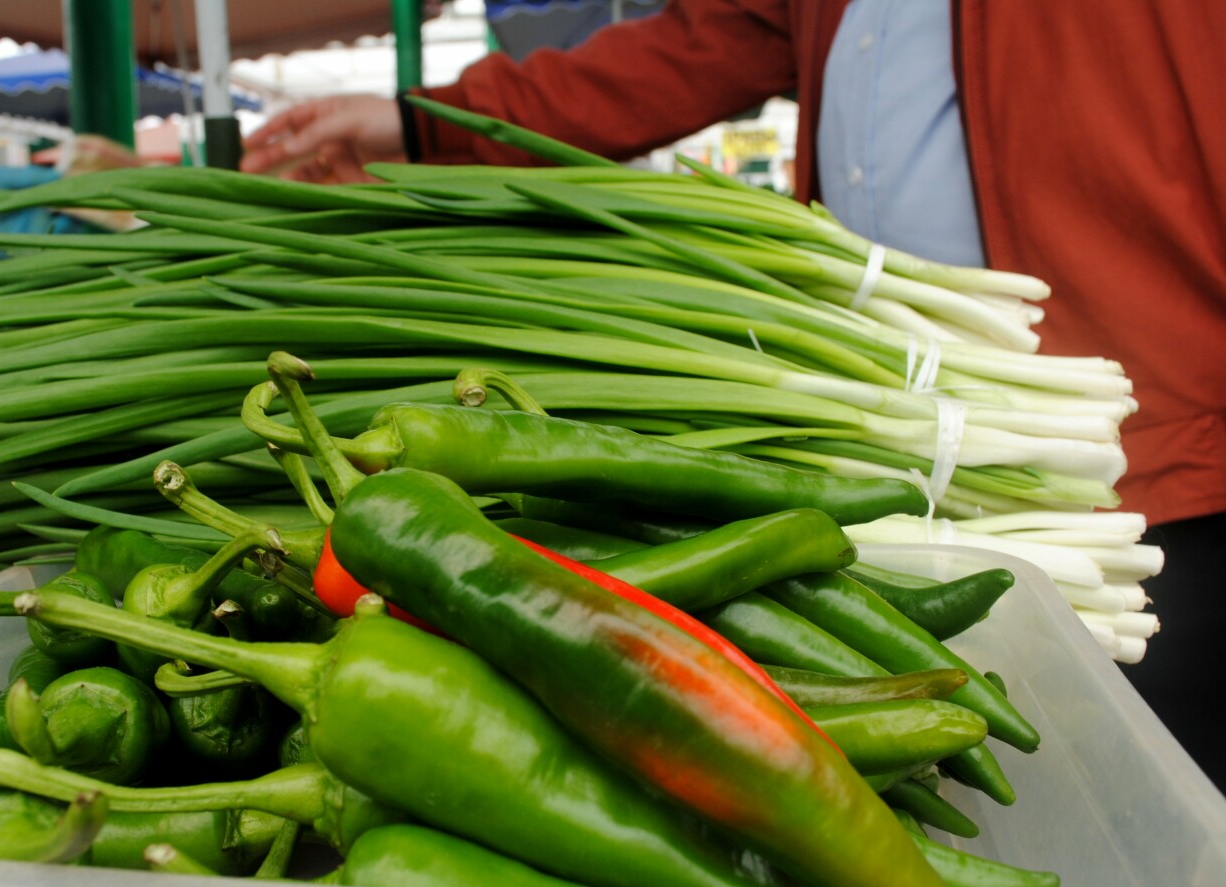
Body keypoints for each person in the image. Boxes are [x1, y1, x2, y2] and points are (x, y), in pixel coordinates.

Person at [243, 0, 1226, 791]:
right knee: (1043, 785)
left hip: (1164, 430)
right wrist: (425, 120)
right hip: (907, 422)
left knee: (1152, 798)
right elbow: (709, 37)